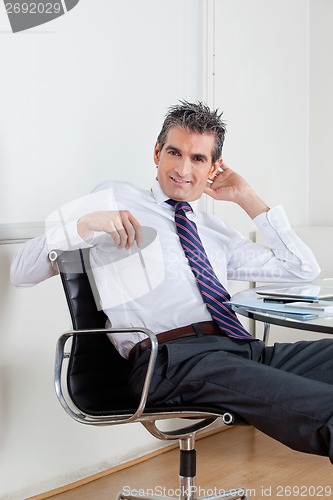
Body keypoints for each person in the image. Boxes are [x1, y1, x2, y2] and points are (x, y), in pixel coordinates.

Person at [11, 101, 333, 463]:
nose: (182, 168)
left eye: (198, 159)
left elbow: (301, 268)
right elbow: (21, 271)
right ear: (156, 153)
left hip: (241, 350)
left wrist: (247, 198)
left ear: (213, 168)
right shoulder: (116, 199)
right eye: (174, 152)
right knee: (324, 407)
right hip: (170, 361)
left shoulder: (213, 230)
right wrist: (85, 226)